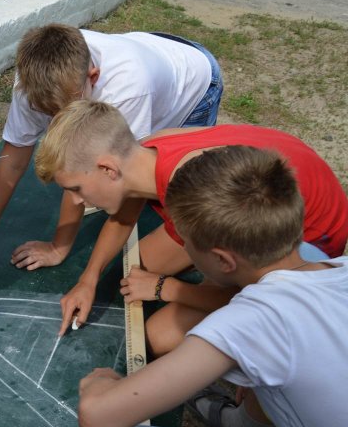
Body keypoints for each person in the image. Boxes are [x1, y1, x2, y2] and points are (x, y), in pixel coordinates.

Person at [75, 145, 348, 427]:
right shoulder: (336, 267)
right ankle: (246, 426)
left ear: (223, 260)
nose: (184, 248)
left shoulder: (251, 322)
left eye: (185, 242)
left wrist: (101, 384)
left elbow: (98, 416)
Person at [32, 100, 347, 347]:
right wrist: (88, 280)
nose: (74, 201)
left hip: (310, 240)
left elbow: (252, 290)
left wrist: (165, 288)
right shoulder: (145, 151)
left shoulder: (201, 194)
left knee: (160, 336)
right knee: (138, 265)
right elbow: (124, 216)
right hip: (283, 191)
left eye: (76, 188)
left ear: (108, 169)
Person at [0, 24, 223, 277]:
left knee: (173, 194)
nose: (55, 118)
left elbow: (116, 179)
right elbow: (12, 164)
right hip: (151, 49)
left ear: (93, 77)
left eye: (65, 110)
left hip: (194, 80)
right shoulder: (33, 85)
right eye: (47, 112)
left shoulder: (128, 89)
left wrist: (59, 247)